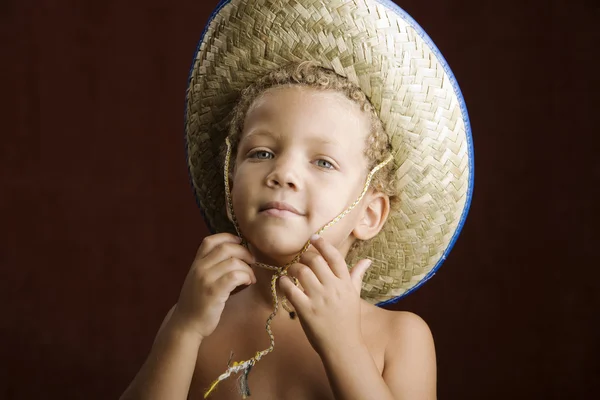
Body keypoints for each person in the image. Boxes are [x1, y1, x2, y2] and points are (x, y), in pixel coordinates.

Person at [121, 1, 473, 399]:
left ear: (370, 212)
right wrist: (183, 329)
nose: (283, 174)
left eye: (322, 161)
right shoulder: (201, 320)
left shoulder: (399, 338)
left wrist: (343, 347)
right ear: (229, 181)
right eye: (261, 153)